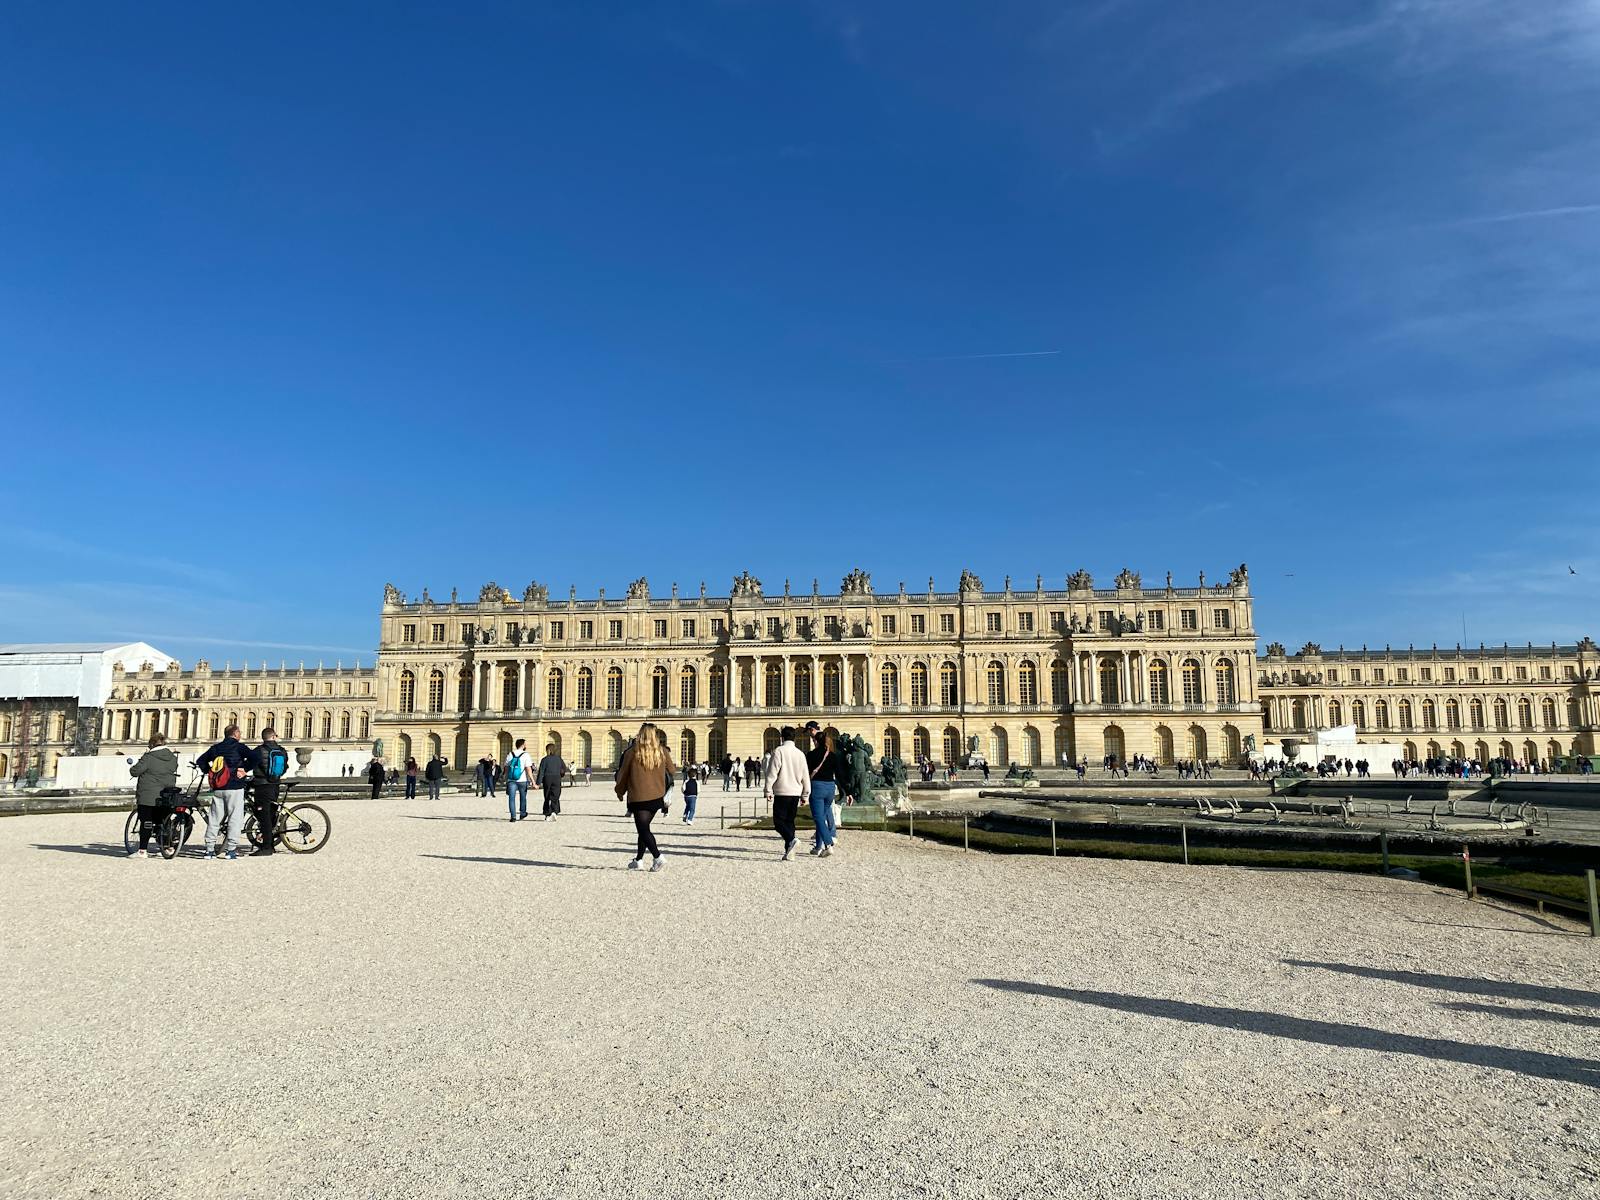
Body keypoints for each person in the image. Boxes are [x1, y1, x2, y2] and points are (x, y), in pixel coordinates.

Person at [614, 721, 675, 870]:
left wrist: (620, 792)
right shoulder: (661, 751)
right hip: (656, 797)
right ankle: (639, 860)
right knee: (644, 828)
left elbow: (622, 775)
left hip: (638, 797)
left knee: (643, 829)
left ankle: (657, 857)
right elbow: (672, 770)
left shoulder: (631, 752)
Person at [196, 723, 259, 861]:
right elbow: (256, 758)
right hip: (235, 786)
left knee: (214, 819)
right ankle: (230, 850)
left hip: (219, 787)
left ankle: (209, 850)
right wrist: (245, 769)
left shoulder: (216, 748)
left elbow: (200, 761)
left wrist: (211, 772)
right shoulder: (239, 747)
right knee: (234, 818)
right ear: (235, 734)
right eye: (240, 733)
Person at [763, 726, 811, 861]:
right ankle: (789, 852)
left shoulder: (779, 751)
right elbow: (805, 776)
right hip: (795, 793)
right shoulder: (800, 753)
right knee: (789, 822)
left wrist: (768, 790)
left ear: (781, 738)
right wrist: (805, 794)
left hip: (782, 792)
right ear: (794, 738)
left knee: (778, 822)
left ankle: (792, 839)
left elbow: (772, 773)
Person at [127, 731, 179, 858]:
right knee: (164, 821)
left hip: (148, 795)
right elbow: (174, 767)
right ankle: (168, 847)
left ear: (151, 744)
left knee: (146, 822)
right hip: (166, 794)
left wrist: (135, 765)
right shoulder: (172, 757)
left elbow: (135, 771)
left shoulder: (149, 757)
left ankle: (142, 851)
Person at [250, 727, 289, 857]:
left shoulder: (258, 751)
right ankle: (270, 842)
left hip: (262, 786)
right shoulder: (282, 751)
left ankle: (267, 847)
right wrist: (275, 776)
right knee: (270, 814)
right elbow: (285, 767)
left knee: (264, 816)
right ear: (274, 736)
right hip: (275, 785)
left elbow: (249, 764)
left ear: (263, 737)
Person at [802, 721, 839, 858]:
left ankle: (828, 844)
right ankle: (818, 847)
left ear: (815, 741)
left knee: (818, 818)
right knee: (821, 817)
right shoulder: (833, 755)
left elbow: (805, 773)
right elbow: (839, 774)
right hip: (830, 788)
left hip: (817, 787)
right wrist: (847, 791)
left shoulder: (811, 755)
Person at [536, 743, 569, 820]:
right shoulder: (559, 759)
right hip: (556, 778)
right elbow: (564, 769)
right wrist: (561, 775)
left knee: (547, 796)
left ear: (547, 750)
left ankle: (547, 813)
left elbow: (541, 771)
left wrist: (538, 783)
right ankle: (554, 811)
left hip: (547, 778)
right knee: (555, 796)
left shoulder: (544, 759)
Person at [506, 739, 534, 822]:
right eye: (525, 744)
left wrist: (506, 778)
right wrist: (533, 780)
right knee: (523, 797)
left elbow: (506, 767)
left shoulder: (510, 754)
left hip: (511, 779)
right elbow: (528, 769)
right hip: (522, 779)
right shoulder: (526, 755)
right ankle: (522, 813)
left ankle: (513, 816)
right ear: (522, 745)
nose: (526, 746)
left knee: (511, 798)